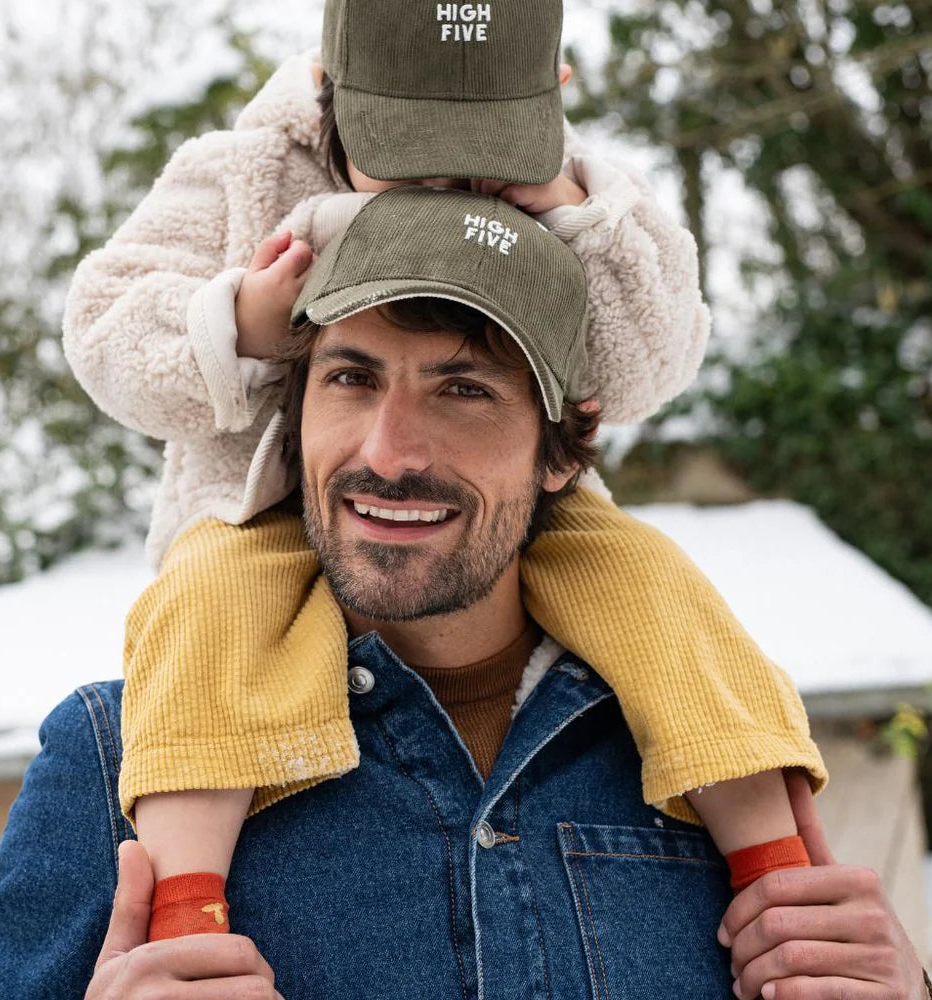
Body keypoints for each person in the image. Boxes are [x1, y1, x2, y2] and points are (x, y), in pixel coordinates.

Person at [0, 188, 928, 1000]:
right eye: (351, 378)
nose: (387, 453)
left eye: (464, 389)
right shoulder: (121, 762)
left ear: (559, 446)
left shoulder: (715, 752)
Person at [62, 0, 826, 941]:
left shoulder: (582, 192)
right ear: (327, 93)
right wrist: (240, 322)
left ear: (551, 100)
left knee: (666, 600)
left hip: (523, 501)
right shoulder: (240, 172)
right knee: (206, 618)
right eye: (410, 149)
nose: (448, 180)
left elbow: (645, 364)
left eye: (484, 154)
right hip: (257, 504)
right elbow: (104, 327)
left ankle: (778, 873)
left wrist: (584, 220)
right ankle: (183, 909)